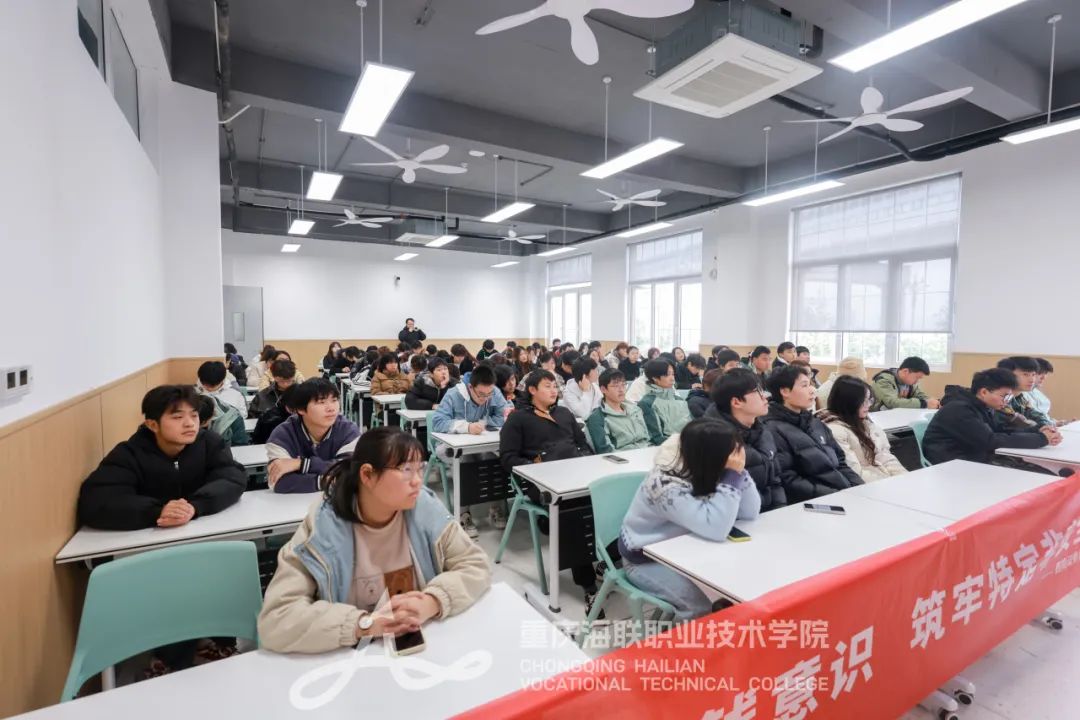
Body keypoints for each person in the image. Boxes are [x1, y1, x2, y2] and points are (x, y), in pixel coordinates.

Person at [257, 427, 491, 654]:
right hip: (348, 659)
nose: (417, 481)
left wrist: (432, 601)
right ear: (367, 475)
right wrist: (363, 625)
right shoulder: (324, 527)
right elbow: (277, 619)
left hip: (421, 654)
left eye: (420, 469)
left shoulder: (424, 509)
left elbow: (475, 564)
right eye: (406, 470)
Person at [618, 418, 761, 622]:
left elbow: (750, 512)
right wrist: (731, 476)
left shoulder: (708, 466)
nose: (736, 458)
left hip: (688, 550)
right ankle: (685, 643)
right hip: (645, 560)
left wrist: (739, 472)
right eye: (732, 453)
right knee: (698, 608)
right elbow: (716, 528)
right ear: (711, 455)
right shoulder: (665, 485)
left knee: (741, 585)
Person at [78, 384, 246, 530]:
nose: (190, 423)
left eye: (194, 415)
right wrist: (158, 511)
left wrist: (195, 506)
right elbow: (96, 501)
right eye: (178, 417)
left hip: (202, 531)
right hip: (150, 541)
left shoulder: (209, 443)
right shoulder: (129, 454)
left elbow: (233, 478)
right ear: (152, 425)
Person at [499, 370, 600, 612]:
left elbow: (583, 444)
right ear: (532, 390)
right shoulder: (518, 419)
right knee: (573, 512)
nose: (554, 390)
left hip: (575, 474)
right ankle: (588, 585)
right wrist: (536, 467)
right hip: (541, 482)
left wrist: (585, 460)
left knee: (610, 500)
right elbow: (508, 458)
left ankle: (608, 562)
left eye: (555, 386)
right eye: (547, 386)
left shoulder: (564, 413)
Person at [923, 368, 1060, 467]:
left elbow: (1001, 430)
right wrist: (1042, 439)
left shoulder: (984, 406)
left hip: (973, 458)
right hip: (952, 465)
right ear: (983, 392)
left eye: (1008, 397)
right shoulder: (959, 409)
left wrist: (1038, 430)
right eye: (1003, 396)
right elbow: (990, 440)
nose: (1006, 402)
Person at [765, 365, 863, 502]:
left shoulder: (814, 422)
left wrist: (859, 488)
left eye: (810, 384)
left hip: (840, 494)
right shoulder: (771, 429)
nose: (812, 390)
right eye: (804, 386)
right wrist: (835, 495)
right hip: (813, 502)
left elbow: (840, 461)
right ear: (785, 391)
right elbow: (788, 479)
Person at [431, 365, 509, 537]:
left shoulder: (493, 392)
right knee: (466, 462)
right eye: (481, 394)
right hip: (450, 447)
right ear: (470, 387)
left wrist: (482, 423)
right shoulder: (453, 395)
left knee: (494, 459)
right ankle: (463, 513)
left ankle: (495, 507)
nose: (485, 399)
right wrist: (466, 427)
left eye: (489, 394)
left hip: (481, 444)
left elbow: (503, 416)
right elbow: (438, 422)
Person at [704, 368, 785, 511]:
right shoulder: (715, 440)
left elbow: (776, 480)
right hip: (738, 517)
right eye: (757, 391)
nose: (765, 396)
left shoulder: (763, 430)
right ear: (736, 402)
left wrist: (781, 509)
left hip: (771, 514)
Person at [266, 379, 361, 493]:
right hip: (294, 502)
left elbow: (351, 472)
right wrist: (326, 481)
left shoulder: (349, 431)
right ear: (301, 409)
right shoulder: (282, 435)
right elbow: (278, 481)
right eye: (321, 402)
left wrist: (302, 464)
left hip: (338, 501)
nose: (331, 408)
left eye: (334, 400)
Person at [817, 376, 906, 483]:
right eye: (863, 401)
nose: (868, 405)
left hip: (881, 479)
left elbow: (884, 456)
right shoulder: (835, 431)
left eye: (869, 400)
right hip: (865, 486)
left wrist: (904, 478)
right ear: (849, 402)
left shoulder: (865, 422)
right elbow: (855, 473)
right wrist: (889, 483)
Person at [585, 369, 652, 453]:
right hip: (624, 457)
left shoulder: (635, 409)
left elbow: (648, 438)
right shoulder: (597, 418)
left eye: (623, 385)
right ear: (603, 389)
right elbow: (606, 450)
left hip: (647, 452)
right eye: (616, 386)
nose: (621, 389)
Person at [638, 359, 693, 445]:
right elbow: (657, 437)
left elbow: (692, 426)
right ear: (655, 378)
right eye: (667, 375)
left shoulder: (679, 400)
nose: (672, 378)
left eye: (673, 374)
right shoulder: (647, 403)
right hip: (668, 446)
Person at [996, 357, 1057, 430]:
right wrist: (1043, 429)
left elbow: (1037, 415)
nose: (1032, 380)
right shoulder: (999, 399)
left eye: (1033, 374)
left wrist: (1046, 426)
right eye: (1025, 374)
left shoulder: (1020, 397)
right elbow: (1021, 425)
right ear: (1007, 375)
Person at [870, 356, 940, 411]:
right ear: (905, 371)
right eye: (917, 377)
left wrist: (935, 402)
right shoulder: (883, 380)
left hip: (897, 416)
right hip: (878, 418)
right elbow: (892, 403)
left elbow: (920, 396)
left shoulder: (909, 383)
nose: (917, 381)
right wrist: (924, 403)